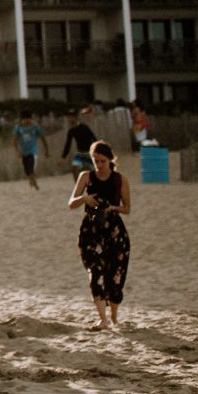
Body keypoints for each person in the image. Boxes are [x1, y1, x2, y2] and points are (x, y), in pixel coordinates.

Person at [69, 140, 131, 329]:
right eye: (95, 160)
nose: (99, 164)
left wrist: (113, 208)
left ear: (110, 160)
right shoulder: (86, 177)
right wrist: (84, 198)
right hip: (91, 228)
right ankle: (102, 319)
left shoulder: (119, 179)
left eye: (102, 161)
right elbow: (71, 203)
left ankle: (113, 317)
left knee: (115, 274)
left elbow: (127, 208)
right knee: (95, 272)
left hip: (114, 229)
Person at [11, 112, 44, 191]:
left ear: (31, 119)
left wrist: (47, 150)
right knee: (26, 169)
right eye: (24, 119)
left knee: (31, 166)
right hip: (23, 151)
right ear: (21, 120)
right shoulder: (18, 128)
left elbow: (43, 138)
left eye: (28, 119)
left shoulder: (35, 127)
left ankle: (35, 183)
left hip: (33, 151)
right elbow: (14, 140)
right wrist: (17, 151)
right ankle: (31, 180)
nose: (26, 121)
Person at [60, 109, 98, 174]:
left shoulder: (84, 127)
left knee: (94, 174)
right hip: (81, 153)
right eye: (68, 117)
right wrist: (63, 157)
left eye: (71, 117)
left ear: (76, 118)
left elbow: (93, 138)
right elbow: (68, 145)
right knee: (74, 168)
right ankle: (78, 184)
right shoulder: (71, 131)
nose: (69, 119)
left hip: (90, 153)